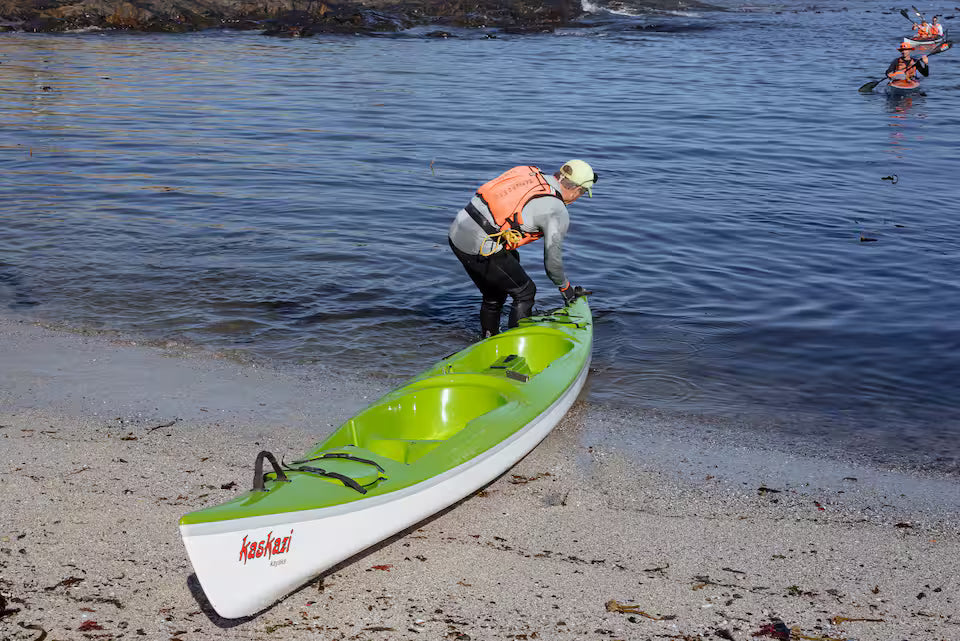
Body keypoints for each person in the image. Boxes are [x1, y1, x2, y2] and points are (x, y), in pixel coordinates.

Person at [448, 160, 597, 338]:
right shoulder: (556, 211)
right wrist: (566, 289)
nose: (577, 199)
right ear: (576, 189)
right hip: (479, 244)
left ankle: (488, 338)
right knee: (525, 292)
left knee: (495, 292)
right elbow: (553, 264)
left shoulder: (527, 172)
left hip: (458, 231)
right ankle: (517, 347)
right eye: (581, 194)